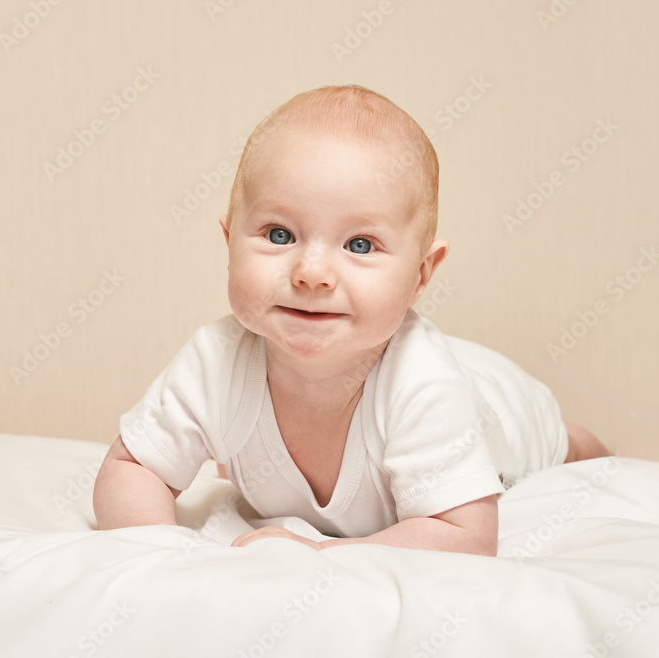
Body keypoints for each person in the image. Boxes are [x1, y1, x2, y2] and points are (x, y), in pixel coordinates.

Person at [92, 85, 610, 555]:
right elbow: (132, 467)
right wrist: (155, 551)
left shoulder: (425, 385)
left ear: (422, 273)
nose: (312, 273)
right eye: (278, 234)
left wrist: (320, 555)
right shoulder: (215, 360)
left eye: (359, 244)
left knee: (563, 443)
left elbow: (465, 536)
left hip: (498, 405)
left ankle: (577, 439)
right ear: (229, 243)